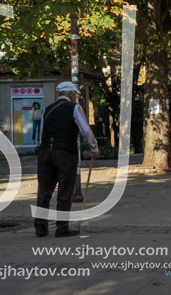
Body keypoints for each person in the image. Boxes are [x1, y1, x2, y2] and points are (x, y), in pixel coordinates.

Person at [34, 81, 98, 237]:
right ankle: (62, 228)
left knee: (44, 191)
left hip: (44, 153)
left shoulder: (47, 110)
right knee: (65, 191)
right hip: (64, 153)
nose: (75, 96)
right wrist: (93, 146)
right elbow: (85, 129)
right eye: (74, 94)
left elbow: (42, 133)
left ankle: (40, 228)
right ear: (71, 94)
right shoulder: (74, 108)